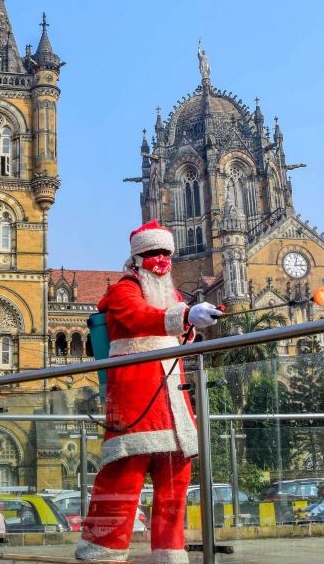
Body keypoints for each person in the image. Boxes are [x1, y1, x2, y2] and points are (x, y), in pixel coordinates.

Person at [75, 220, 222, 564]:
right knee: (123, 479)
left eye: (166, 255)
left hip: (174, 404)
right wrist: (185, 315)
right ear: (138, 257)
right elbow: (140, 317)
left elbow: (175, 331)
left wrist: (191, 322)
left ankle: (170, 553)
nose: (162, 261)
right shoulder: (124, 290)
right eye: (154, 254)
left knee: (176, 482)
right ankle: (102, 552)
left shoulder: (170, 295)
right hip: (136, 402)